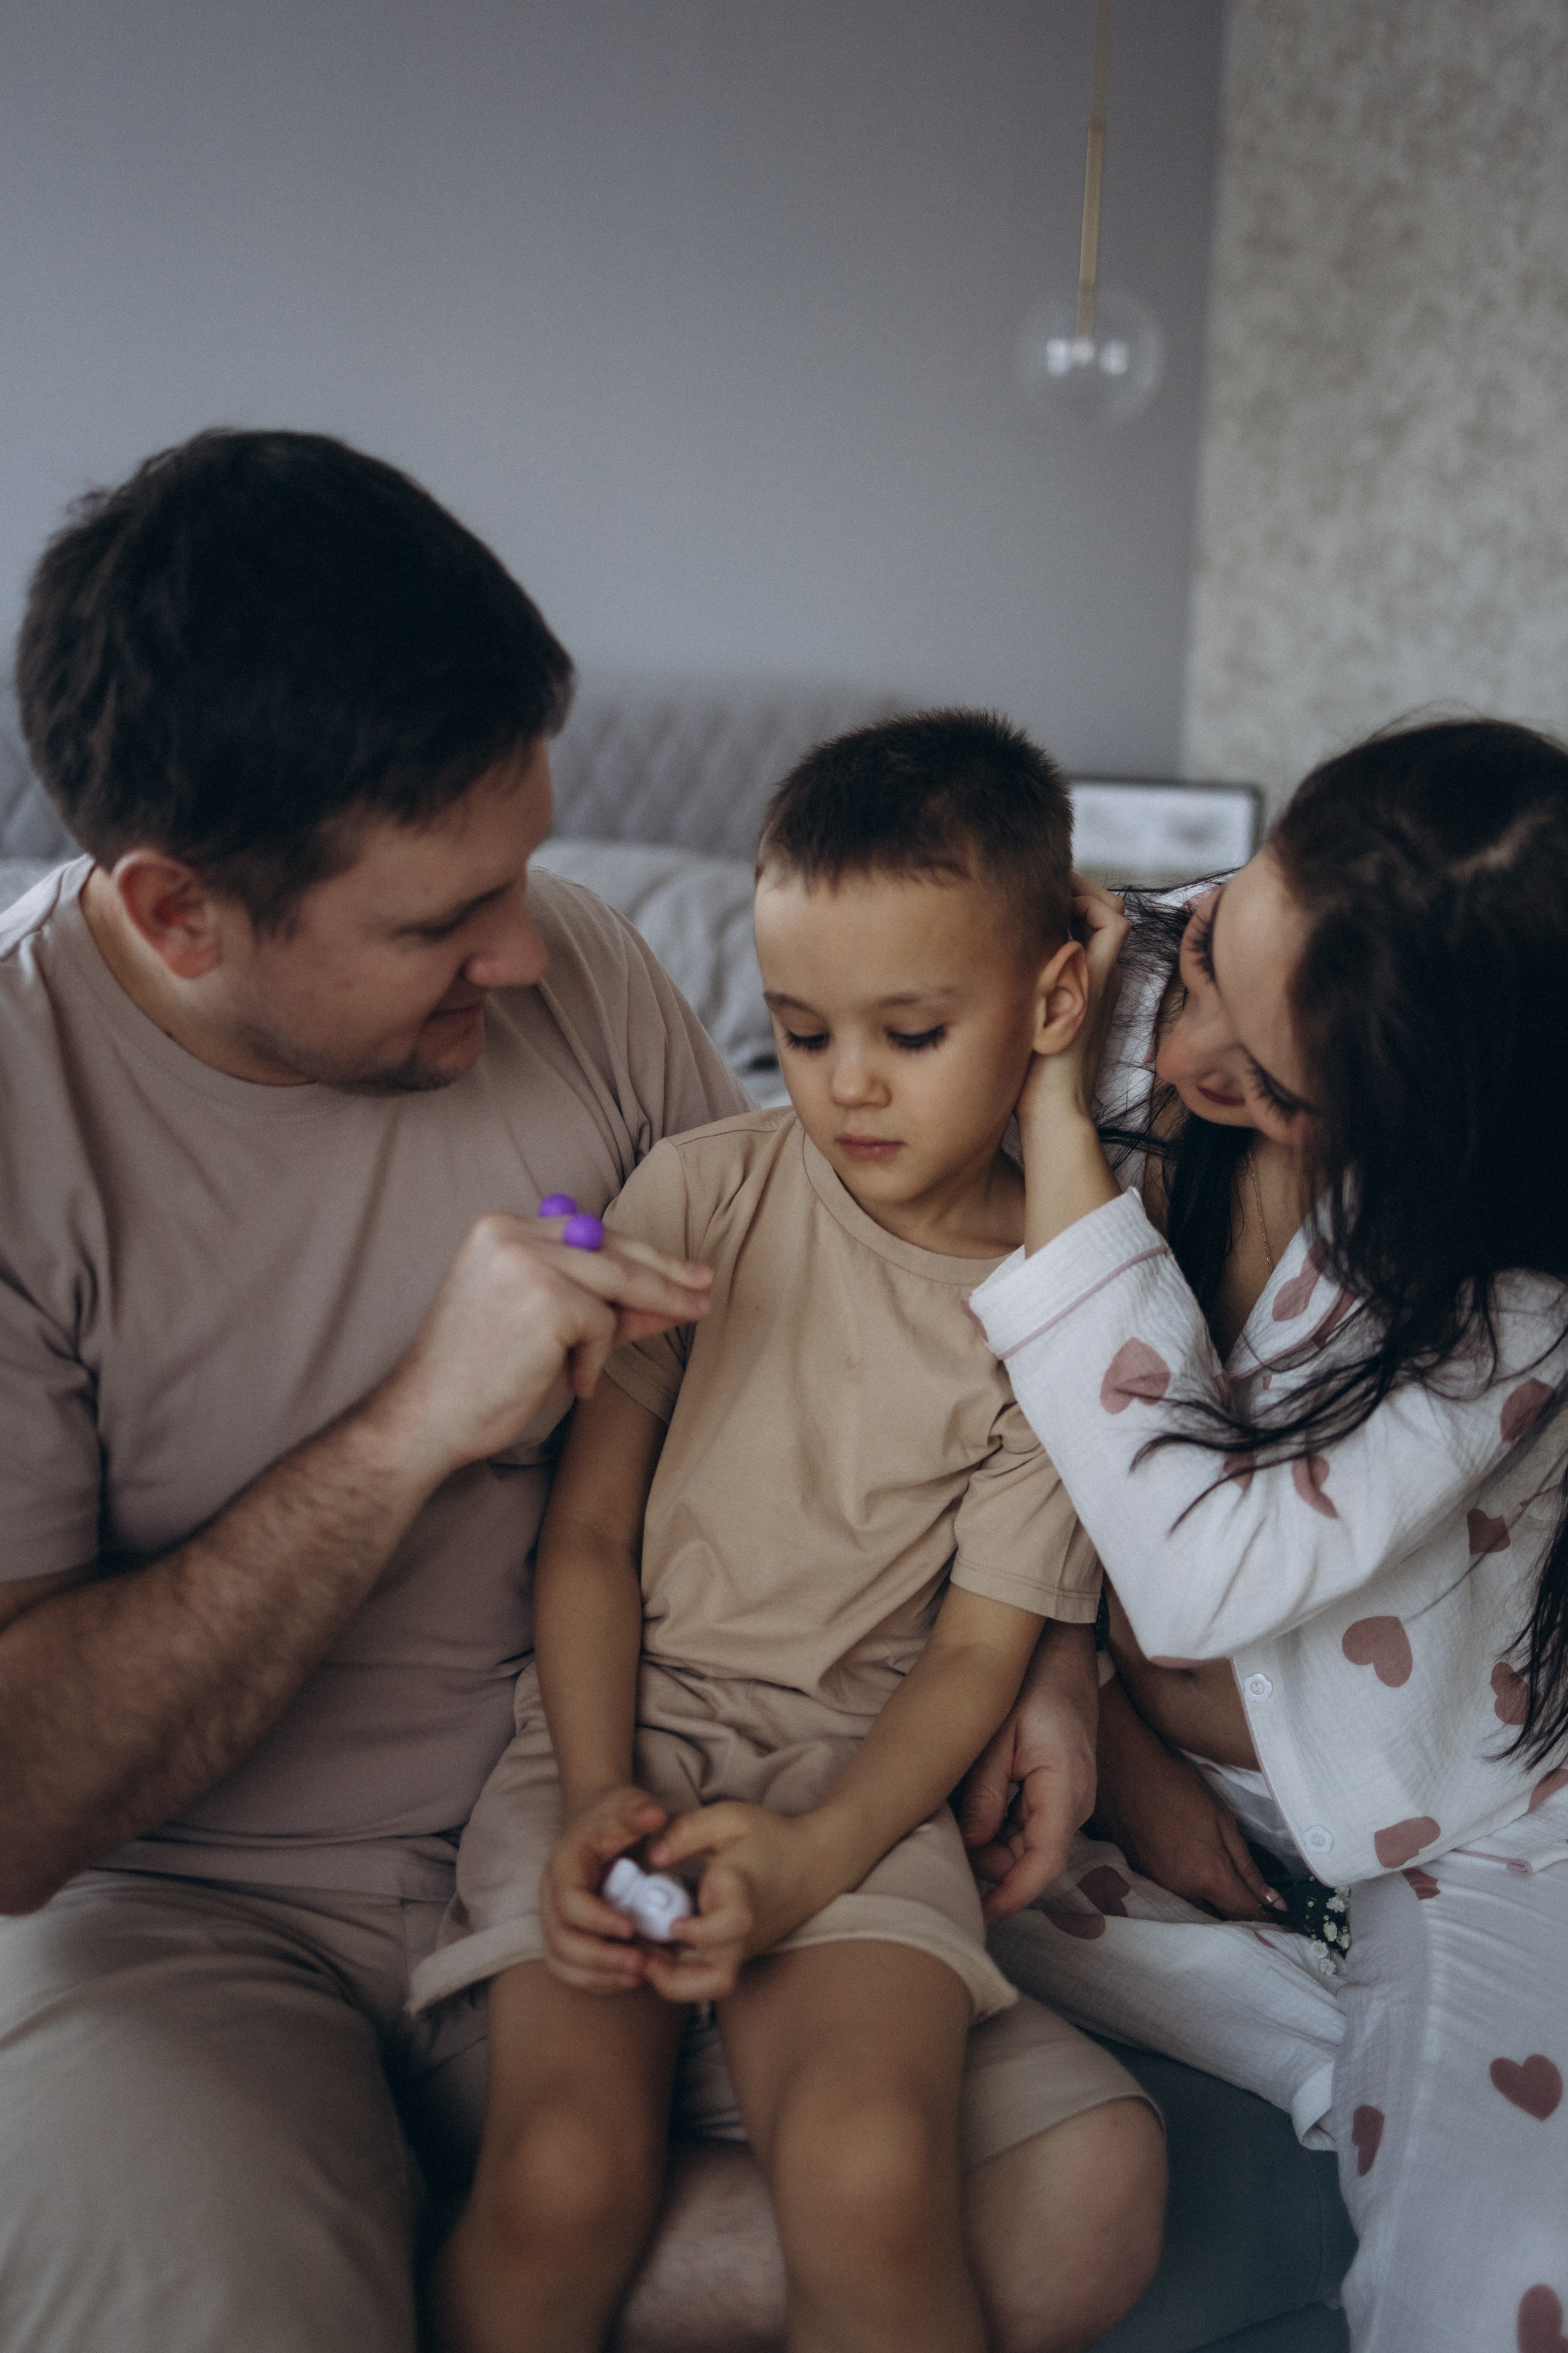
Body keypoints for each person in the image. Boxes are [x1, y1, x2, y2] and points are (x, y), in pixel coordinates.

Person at [415, 714, 1167, 2353]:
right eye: (803, 1029)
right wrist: (602, 1787)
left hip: (862, 1779)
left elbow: (981, 1646)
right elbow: (589, 1540)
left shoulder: (1072, 1309)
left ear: (1049, 1000)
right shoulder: (698, 1192)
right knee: (561, 2177)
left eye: (909, 1029)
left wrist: (822, 1853)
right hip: (618, 1733)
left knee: (873, 2174)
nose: (849, 1086)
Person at [959, 719, 1568, 2352]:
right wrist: (1083, 1691)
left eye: (1275, 1090)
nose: (1180, 1049)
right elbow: (939, 1390)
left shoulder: (1508, 1283)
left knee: (1516, 2272)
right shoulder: (1116, 972)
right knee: (918, 1855)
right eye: (1218, 941)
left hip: (1464, 1804)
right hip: (1113, 1747)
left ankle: (1360, 2039)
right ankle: (1330, 2046)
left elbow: (1202, 1561)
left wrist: (1060, 1134)